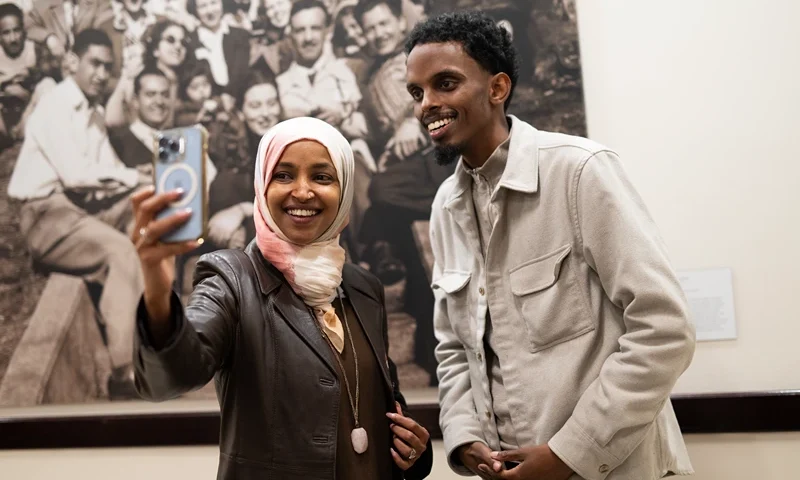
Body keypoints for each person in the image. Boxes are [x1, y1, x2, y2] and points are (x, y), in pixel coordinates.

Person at [406, 11, 696, 480]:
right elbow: (453, 348)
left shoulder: (580, 171)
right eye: (417, 92)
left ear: (497, 88)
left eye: (445, 83)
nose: (427, 105)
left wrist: (569, 452)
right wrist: (465, 438)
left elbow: (665, 331)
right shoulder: (446, 207)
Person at [129, 116, 434, 480]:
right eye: (283, 175)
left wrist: (415, 449)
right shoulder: (231, 278)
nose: (302, 192)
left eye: (322, 177)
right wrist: (158, 290)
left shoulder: (363, 287)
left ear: (345, 190)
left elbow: (382, 402)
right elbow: (169, 378)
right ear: (262, 185)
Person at [7, 28, 147, 399]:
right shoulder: (56, 103)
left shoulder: (93, 112)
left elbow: (109, 170)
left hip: (75, 210)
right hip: (45, 214)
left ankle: (147, 345)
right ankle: (123, 372)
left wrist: (142, 181)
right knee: (118, 251)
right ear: (73, 62)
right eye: (94, 64)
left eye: (108, 67)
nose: (102, 74)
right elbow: (78, 174)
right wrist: (133, 175)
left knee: (146, 214)